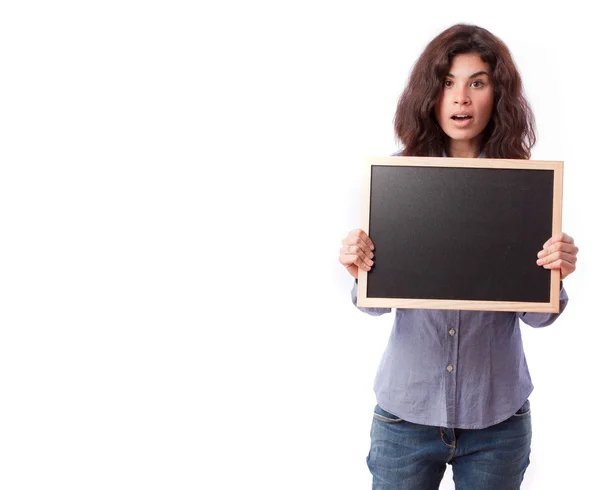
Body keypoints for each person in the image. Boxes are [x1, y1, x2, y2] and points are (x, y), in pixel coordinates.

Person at [338, 24, 579, 490]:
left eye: (477, 82)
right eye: (448, 82)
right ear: (430, 93)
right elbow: (373, 303)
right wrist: (359, 268)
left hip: (497, 418)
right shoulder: (398, 179)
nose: (461, 99)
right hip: (405, 415)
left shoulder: (524, 187)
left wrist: (555, 273)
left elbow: (537, 318)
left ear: (498, 93)